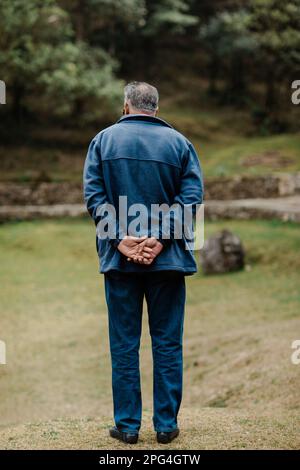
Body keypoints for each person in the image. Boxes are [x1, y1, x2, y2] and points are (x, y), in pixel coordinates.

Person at [83, 81, 203, 444]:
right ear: (155, 108)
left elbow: (94, 195)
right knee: (167, 343)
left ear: (126, 106)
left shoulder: (102, 141)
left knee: (124, 344)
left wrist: (121, 239)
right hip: (167, 261)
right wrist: (161, 238)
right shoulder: (180, 144)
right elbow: (191, 198)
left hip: (120, 263)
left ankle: (128, 427)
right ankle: (166, 426)